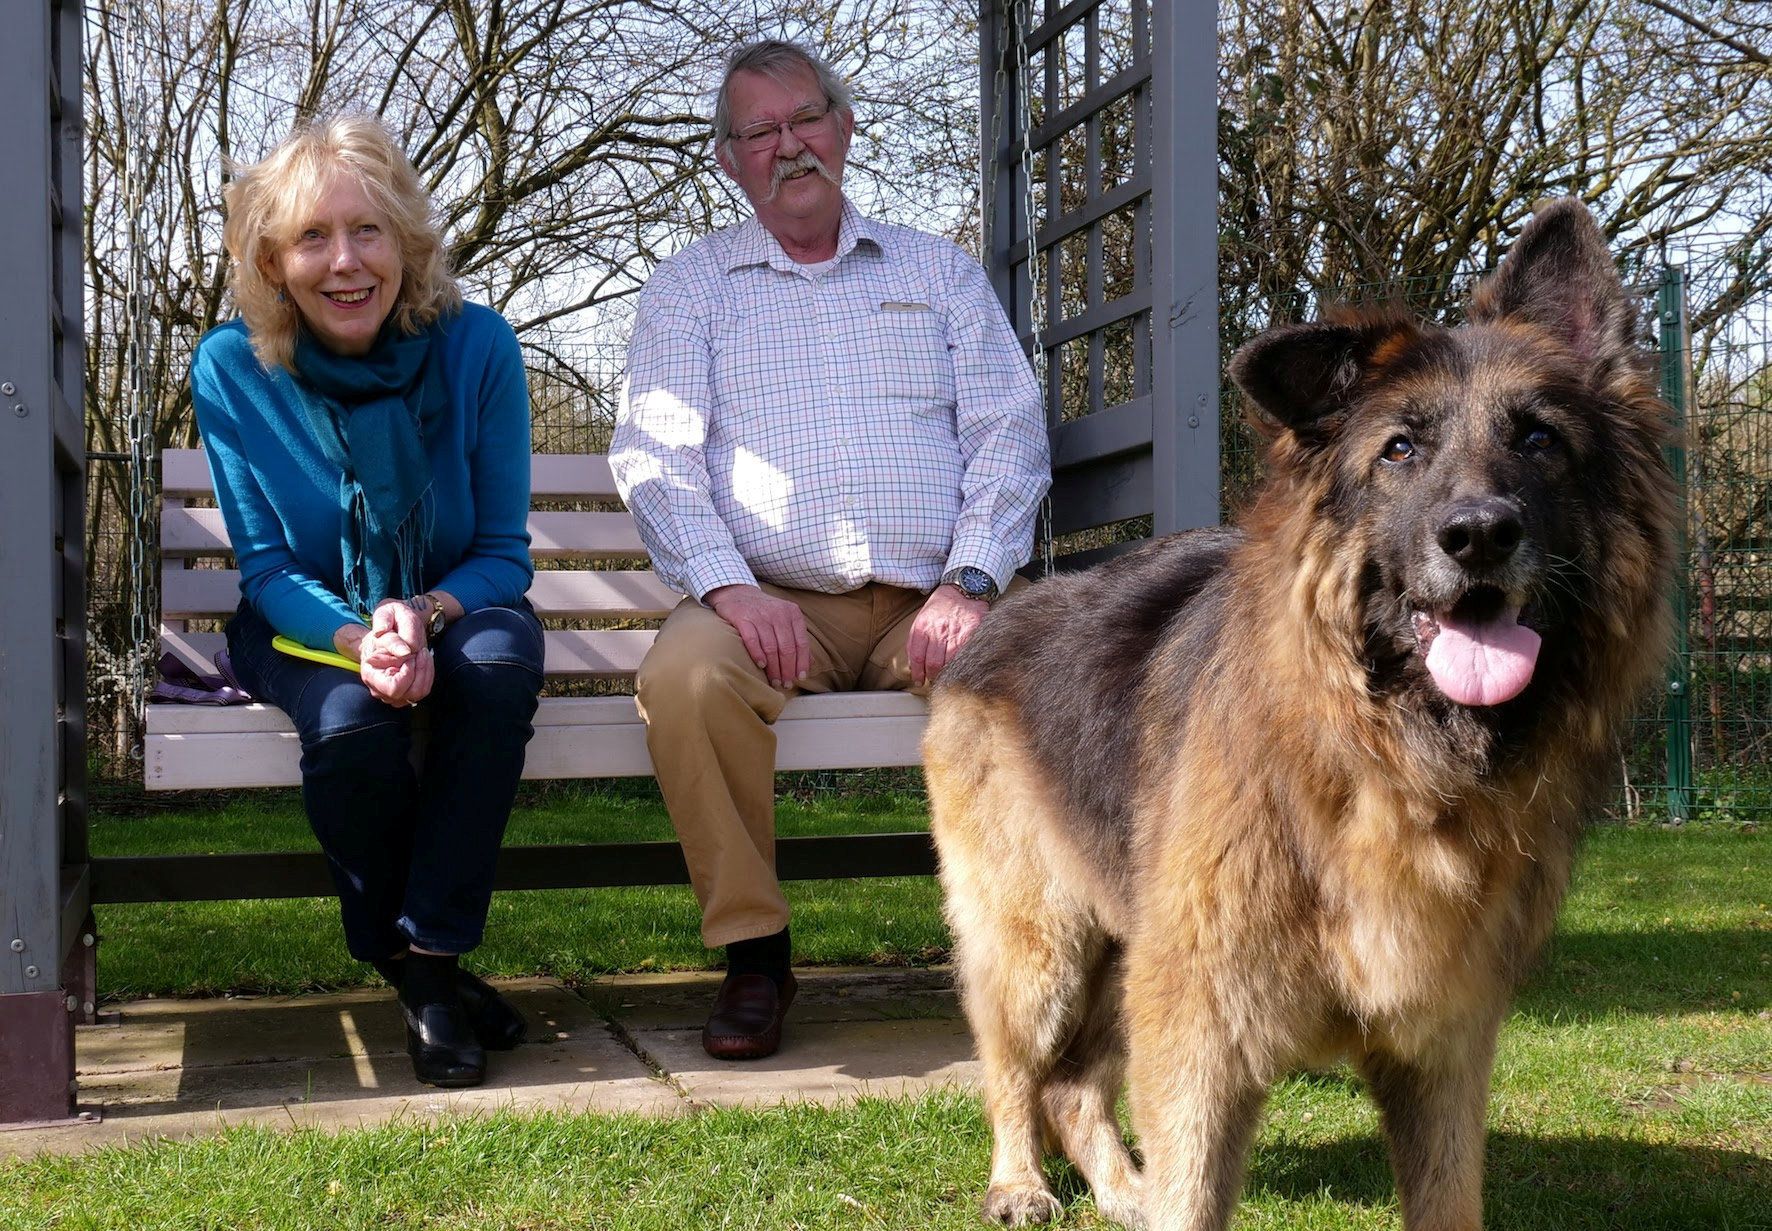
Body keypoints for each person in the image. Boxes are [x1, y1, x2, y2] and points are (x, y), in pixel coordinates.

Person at [612, 39, 1050, 1061]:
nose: (788, 147)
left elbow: (1007, 430)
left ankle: (1036, 948)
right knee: (681, 678)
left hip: (934, 600)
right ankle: (755, 955)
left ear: (843, 128)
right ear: (728, 159)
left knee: (1042, 667)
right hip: (768, 605)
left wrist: (973, 579)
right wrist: (727, 588)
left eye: (804, 119)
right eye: (758, 132)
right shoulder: (689, 288)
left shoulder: (936, 271)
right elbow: (656, 454)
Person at [189, 114, 544, 1089]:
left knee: (496, 668)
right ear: (271, 258)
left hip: (453, 603)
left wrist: (421, 613)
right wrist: (359, 635)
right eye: (311, 237)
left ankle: (429, 958)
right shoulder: (233, 366)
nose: (344, 262)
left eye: (368, 231)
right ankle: (421, 977)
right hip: (306, 617)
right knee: (349, 725)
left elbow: (502, 556)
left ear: (407, 242)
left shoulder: (478, 348)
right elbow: (263, 569)